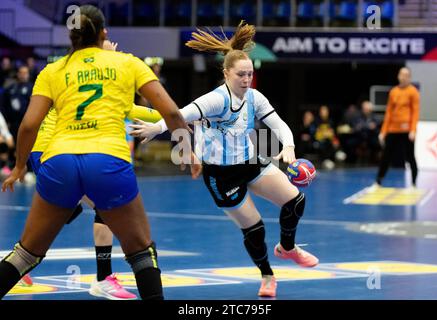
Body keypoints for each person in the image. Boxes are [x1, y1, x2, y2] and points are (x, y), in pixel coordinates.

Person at [0, 5, 194, 300]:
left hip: (59, 161)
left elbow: (28, 126)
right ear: (104, 33)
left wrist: (17, 168)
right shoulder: (127, 63)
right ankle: (109, 279)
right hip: (106, 159)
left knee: (26, 254)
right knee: (141, 251)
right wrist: (186, 149)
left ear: (71, 36)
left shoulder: (53, 70)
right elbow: (170, 112)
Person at [130, 21, 319, 298]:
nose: (246, 79)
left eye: (249, 74)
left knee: (295, 200)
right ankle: (267, 275)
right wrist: (156, 128)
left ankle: (287, 248)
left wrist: (288, 146)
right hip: (220, 174)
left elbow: (279, 124)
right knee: (254, 228)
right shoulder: (216, 100)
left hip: (249, 162)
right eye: (241, 74)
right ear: (226, 73)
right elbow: (180, 114)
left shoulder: (254, 97)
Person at [374, 67, 420, 188]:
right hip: (393, 129)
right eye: (401, 74)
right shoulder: (393, 92)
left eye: (406, 75)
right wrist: (383, 131)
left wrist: (413, 130)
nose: (403, 77)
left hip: (407, 131)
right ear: (398, 76)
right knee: (386, 156)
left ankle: (414, 182)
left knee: (410, 156)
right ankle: (378, 180)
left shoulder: (413, 92)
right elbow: (388, 113)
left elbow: (415, 112)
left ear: (409, 77)